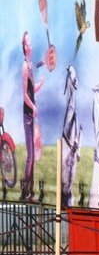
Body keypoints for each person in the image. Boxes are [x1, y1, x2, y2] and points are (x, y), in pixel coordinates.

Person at [21, 31, 44, 201]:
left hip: (31, 114)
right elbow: (25, 95)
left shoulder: (30, 64)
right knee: (30, 156)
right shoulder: (24, 66)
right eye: (29, 41)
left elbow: (32, 90)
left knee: (33, 156)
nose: (31, 43)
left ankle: (31, 193)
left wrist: (40, 84)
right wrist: (33, 106)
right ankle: (25, 192)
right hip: (27, 116)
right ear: (25, 46)